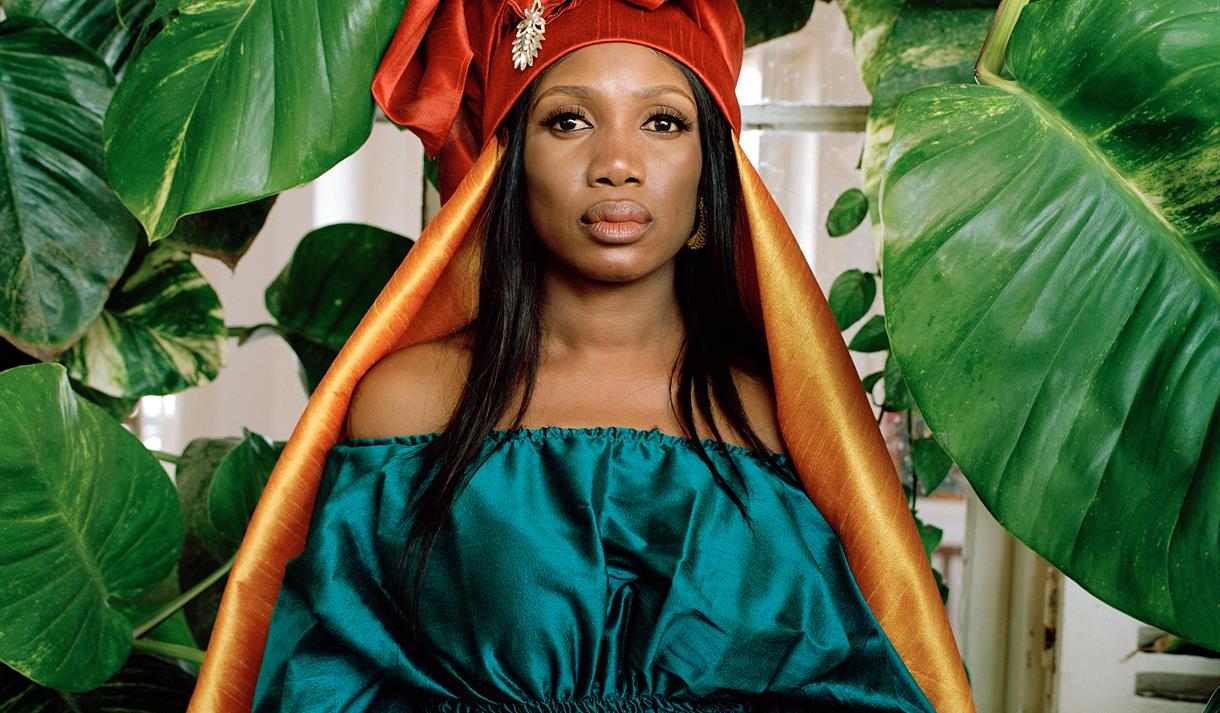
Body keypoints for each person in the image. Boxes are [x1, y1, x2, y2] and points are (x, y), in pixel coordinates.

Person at [185, 2, 974, 712]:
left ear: (713, 180)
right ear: (510, 168)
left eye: (663, 123)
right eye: (569, 120)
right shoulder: (404, 409)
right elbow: (329, 684)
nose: (617, 162)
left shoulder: (780, 424)